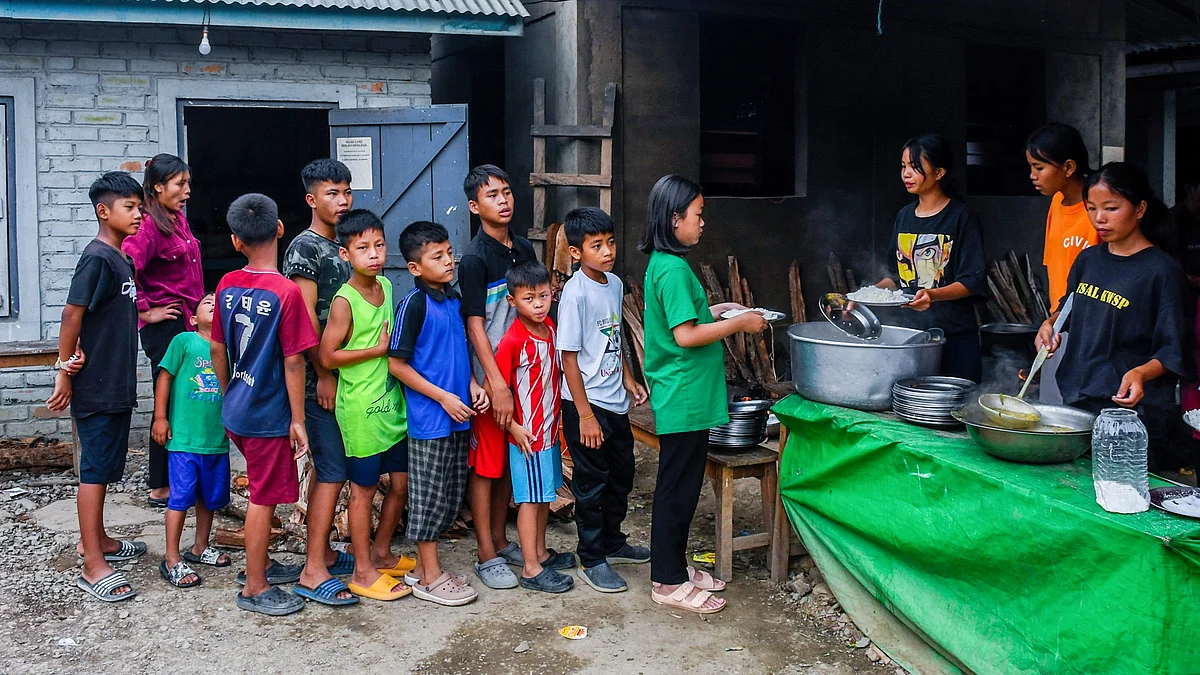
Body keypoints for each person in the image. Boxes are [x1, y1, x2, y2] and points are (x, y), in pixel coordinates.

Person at [638, 175, 768, 614]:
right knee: (677, 487)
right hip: (683, 393)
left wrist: (720, 310)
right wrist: (740, 324)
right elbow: (687, 336)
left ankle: (674, 565)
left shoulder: (665, 261)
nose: (703, 223)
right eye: (697, 215)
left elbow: (687, 320)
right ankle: (667, 580)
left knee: (684, 484)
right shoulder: (673, 269)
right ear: (675, 220)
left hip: (685, 392)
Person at [1036, 162, 1190, 473]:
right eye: (1091, 208)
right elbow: (1069, 306)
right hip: (1079, 401)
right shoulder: (1089, 259)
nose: (1099, 218)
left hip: (1130, 414)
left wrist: (1141, 373)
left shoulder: (1161, 272)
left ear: (1140, 209)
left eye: (1111, 208)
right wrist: (1049, 324)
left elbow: (1174, 349)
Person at [210, 194, 317, 616]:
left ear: (236, 241)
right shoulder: (286, 292)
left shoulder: (226, 284)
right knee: (263, 496)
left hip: (238, 406)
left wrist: (228, 391)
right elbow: (294, 362)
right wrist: (298, 419)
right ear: (279, 230)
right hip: (268, 412)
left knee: (260, 486)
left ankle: (263, 564)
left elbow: (218, 348)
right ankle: (254, 587)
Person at [48, 171, 145, 603]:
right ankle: (92, 562)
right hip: (97, 385)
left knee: (106, 469)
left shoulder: (120, 258)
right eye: (130, 207)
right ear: (104, 212)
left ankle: (101, 540)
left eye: (140, 207)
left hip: (115, 380)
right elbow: (72, 314)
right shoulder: (97, 258)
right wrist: (65, 368)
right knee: (94, 472)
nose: (139, 215)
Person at [388, 220, 489, 606]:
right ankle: (429, 576)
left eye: (449, 253)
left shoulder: (453, 300)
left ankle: (421, 570)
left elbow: (458, 354)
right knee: (429, 497)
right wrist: (443, 397)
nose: (449, 261)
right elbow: (397, 364)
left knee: (448, 494)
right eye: (437, 256)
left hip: (457, 414)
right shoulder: (413, 305)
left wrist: (472, 387)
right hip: (430, 419)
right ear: (414, 267)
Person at [317, 210, 411, 603]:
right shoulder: (345, 301)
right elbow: (326, 356)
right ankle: (361, 570)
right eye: (363, 248)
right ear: (345, 253)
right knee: (363, 490)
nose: (374, 255)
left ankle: (382, 552)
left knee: (401, 485)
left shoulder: (387, 287)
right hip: (359, 409)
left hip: (390, 405)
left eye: (379, 246)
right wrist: (375, 349)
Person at [557, 207, 650, 593]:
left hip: (614, 402)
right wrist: (585, 416)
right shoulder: (574, 295)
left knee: (621, 476)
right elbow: (568, 358)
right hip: (586, 404)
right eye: (597, 246)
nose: (608, 251)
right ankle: (592, 557)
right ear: (577, 253)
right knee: (591, 484)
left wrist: (628, 377)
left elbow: (614, 338)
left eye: (610, 242)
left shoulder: (612, 284)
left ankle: (613, 541)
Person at [458, 164, 538, 590]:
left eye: (507, 192)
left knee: (510, 458)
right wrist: (495, 382)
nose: (503, 200)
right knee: (486, 464)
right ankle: (485, 553)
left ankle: (503, 538)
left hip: (522, 372)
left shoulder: (522, 248)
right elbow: (474, 326)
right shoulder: (474, 259)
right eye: (492, 196)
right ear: (475, 206)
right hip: (491, 380)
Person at [283, 158, 357, 604]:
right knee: (331, 470)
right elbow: (305, 319)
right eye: (332, 193)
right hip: (318, 380)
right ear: (312, 199)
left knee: (338, 468)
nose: (343, 200)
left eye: (347, 191)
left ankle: (325, 553)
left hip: (351, 376)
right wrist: (324, 374)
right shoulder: (304, 249)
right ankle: (312, 571)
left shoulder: (344, 245)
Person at [122, 154, 202, 507]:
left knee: (182, 400)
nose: (187, 191)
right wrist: (146, 311)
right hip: (166, 327)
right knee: (166, 401)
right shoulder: (148, 227)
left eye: (187, 183)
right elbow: (125, 270)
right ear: (158, 186)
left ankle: (178, 476)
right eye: (179, 184)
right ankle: (160, 486)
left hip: (186, 321)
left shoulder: (176, 219)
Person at [875, 134, 988, 382]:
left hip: (954, 338)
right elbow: (895, 277)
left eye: (915, 167)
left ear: (938, 173)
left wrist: (933, 295)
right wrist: (867, 295)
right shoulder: (904, 216)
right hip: (910, 337)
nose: (906, 174)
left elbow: (972, 281)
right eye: (904, 166)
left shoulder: (961, 218)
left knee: (952, 412)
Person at [492, 261, 573, 594]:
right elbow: (496, 389)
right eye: (529, 299)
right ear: (513, 301)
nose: (538, 305)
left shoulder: (551, 328)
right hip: (527, 437)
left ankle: (540, 552)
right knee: (528, 500)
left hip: (549, 432)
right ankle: (530, 568)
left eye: (543, 296)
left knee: (542, 498)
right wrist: (513, 428)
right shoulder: (513, 341)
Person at [152, 293, 232, 588]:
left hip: (216, 439)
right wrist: (160, 417)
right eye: (207, 302)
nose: (213, 302)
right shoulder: (184, 341)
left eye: (218, 302)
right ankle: (172, 557)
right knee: (181, 497)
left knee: (209, 498)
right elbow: (165, 377)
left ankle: (200, 547)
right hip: (184, 439)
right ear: (194, 318)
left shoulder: (226, 348)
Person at [1025, 123, 1099, 404]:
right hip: (1059, 326)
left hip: (1091, 332)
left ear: (1068, 167)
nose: (1032, 175)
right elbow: (1055, 267)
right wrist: (1053, 320)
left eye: (1039, 167)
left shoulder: (1096, 212)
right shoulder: (1056, 202)